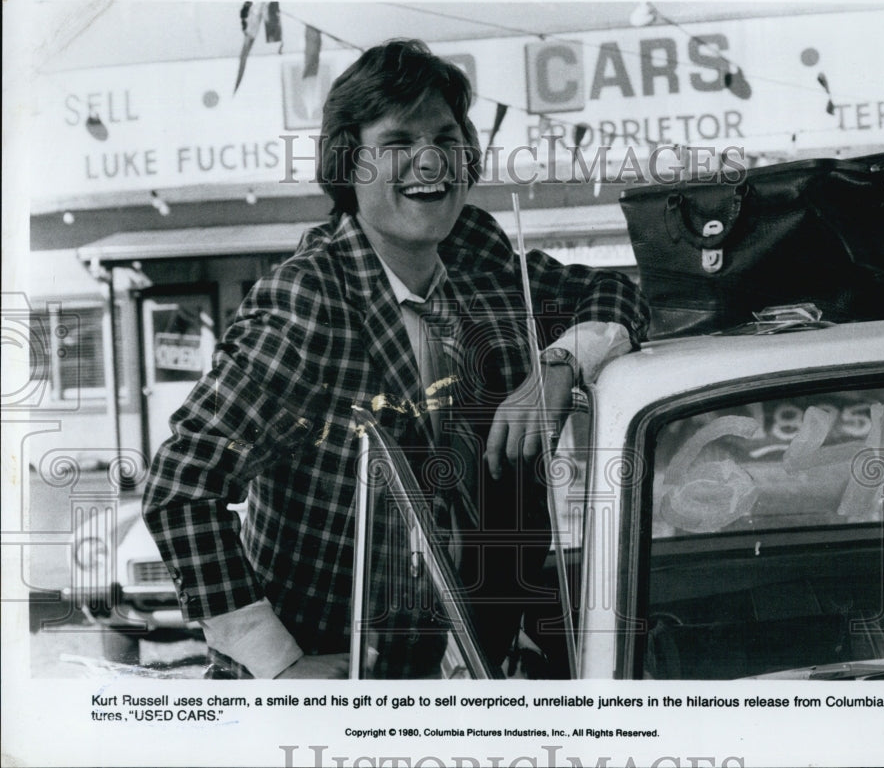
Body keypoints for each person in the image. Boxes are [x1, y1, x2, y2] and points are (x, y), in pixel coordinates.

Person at [142, 39, 649, 679]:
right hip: (341, 692)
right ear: (347, 164)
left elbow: (615, 292)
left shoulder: (472, 252)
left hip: (476, 663)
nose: (430, 160)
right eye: (398, 143)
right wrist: (277, 662)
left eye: (445, 135)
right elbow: (180, 487)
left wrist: (558, 365)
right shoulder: (309, 300)